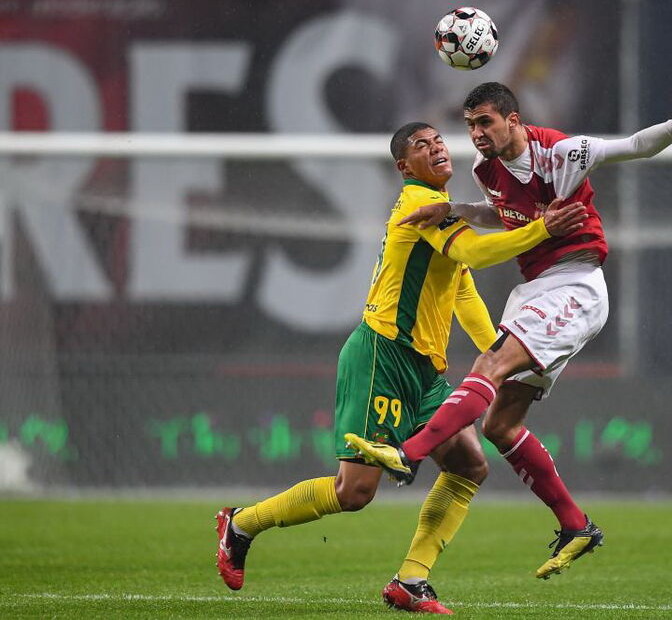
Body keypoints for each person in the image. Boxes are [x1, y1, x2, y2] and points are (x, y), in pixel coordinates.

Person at [346, 68, 672, 580]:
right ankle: (576, 524)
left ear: (512, 119)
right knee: (500, 424)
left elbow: (635, 146)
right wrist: (453, 209)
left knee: (489, 364)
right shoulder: (485, 169)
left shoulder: (563, 153)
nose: (475, 134)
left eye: (484, 122)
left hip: (576, 285)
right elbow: (503, 214)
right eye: (469, 124)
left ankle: (407, 454)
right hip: (536, 290)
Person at [215, 121, 587, 613]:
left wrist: (500, 359)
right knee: (354, 493)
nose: (435, 147)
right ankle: (241, 525)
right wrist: (542, 229)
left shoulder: (442, 211)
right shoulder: (417, 204)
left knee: (469, 465)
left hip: (425, 371)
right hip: (382, 355)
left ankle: (411, 581)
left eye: (438, 141)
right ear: (403, 167)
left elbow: (463, 289)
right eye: (421, 145)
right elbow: (475, 250)